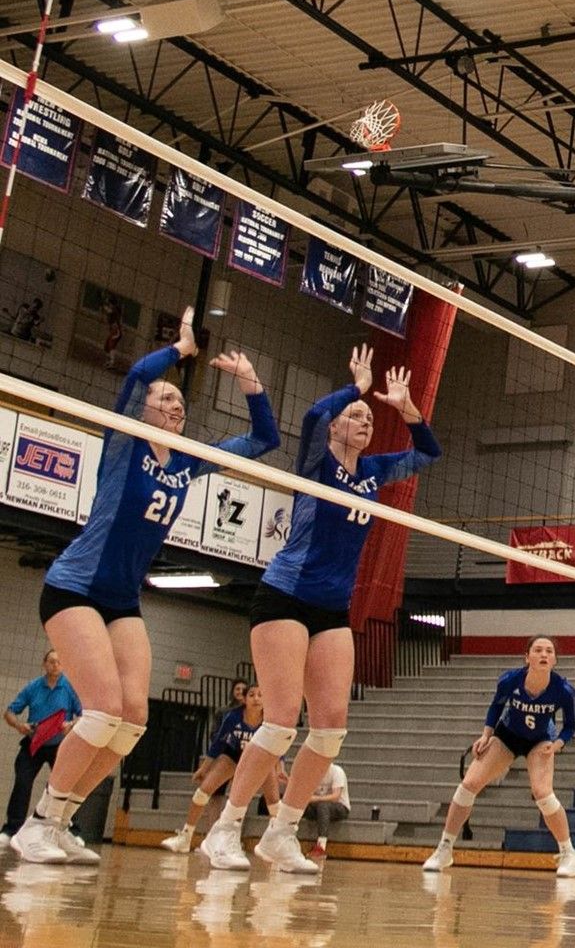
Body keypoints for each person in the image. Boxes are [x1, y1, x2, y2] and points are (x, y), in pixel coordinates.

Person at [15, 313, 278, 866]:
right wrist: (180, 350)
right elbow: (136, 377)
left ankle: (63, 819)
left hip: (121, 598)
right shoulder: (123, 442)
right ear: (143, 409)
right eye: (165, 398)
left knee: (133, 718)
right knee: (104, 708)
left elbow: (263, 439)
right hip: (75, 587)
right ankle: (36, 822)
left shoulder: (186, 461)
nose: (174, 404)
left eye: (180, 401)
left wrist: (252, 383)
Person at [199, 344, 436, 875]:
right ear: (335, 428)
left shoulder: (373, 471)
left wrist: (406, 409)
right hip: (284, 595)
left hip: (332, 607)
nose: (364, 421)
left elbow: (427, 454)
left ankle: (282, 834)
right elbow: (310, 416)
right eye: (356, 415)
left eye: (369, 419)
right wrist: (355, 387)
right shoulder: (317, 459)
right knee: (282, 721)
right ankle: (225, 828)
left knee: (329, 729)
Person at [422, 635, 575, 877]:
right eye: (538, 650)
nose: (543, 655)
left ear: (555, 660)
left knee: (542, 793)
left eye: (549, 651)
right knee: (469, 783)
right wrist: (486, 735)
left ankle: (569, 853)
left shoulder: (563, 690)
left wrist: (557, 744)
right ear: (527, 657)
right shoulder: (510, 680)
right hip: (507, 735)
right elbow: (496, 707)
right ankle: (444, 849)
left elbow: (570, 725)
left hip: (540, 740)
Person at [158, 683, 283, 853]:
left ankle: (277, 844)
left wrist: (280, 767)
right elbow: (218, 744)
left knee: (274, 802)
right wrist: (204, 768)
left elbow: (278, 746)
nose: (256, 699)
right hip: (232, 755)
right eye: (252, 695)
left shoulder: (270, 720)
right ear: (244, 699)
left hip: (259, 759)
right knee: (202, 792)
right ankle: (185, 837)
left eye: (261, 695)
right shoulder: (232, 717)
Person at [4, 651, 80, 838]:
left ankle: (70, 829)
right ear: (44, 664)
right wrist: (19, 725)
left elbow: (83, 715)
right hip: (34, 743)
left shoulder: (70, 688)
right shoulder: (33, 687)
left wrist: (70, 725)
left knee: (66, 786)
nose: (55, 665)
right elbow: (9, 712)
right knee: (22, 783)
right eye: (51, 661)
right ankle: (12, 829)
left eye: (59, 662)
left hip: (60, 746)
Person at [303, 762, 349, 861]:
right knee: (301, 804)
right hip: (318, 807)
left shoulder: (337, 771)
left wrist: (315, 798)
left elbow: (335, 797)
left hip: (340, 807)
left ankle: (321, 846)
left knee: (323, 805)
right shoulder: (312, 772)